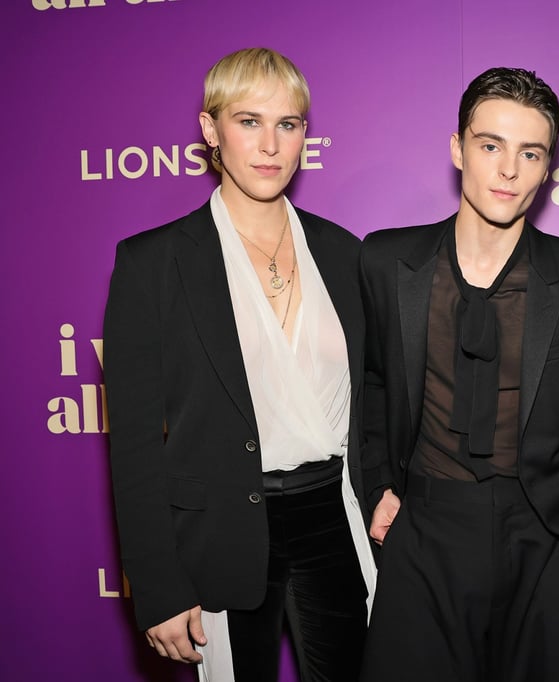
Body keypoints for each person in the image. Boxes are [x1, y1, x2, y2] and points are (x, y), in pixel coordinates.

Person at [103, 47, 375, 682]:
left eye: (288, 124)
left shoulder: (344, 253)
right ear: (211, 129)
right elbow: (135, 448)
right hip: (223, 531)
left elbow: (376, 405)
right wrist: (159, 586)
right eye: (249, 121)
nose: (270, 145)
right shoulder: (153, 264)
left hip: (336, 522)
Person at [358, 67, 559, 682]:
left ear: (548, 168)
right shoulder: (386, 260)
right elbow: (371, 384)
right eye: (490, 145)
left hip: (547, 538)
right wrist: (378, 488)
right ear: (458, 149)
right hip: (425, 529)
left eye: (530, 153)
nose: (509, 170)